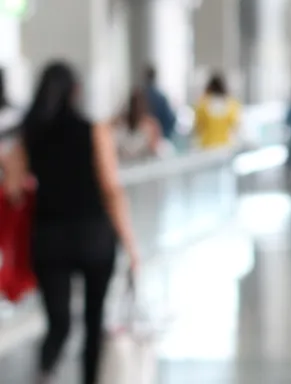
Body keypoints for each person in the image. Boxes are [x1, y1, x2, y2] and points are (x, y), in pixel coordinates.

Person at [1, 62, 141, 384]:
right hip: (94, 237)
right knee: (94, 319)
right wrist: (131, 244)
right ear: (76, 92)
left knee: (59, 322)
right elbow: (111, 188)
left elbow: (12, 187)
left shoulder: (31, 134)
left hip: (49, 238)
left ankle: (45, 373)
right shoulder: (93, 130)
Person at [192, 73, 240, 150]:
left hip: (207, 146)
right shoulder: (232, 105)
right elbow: (235, 127)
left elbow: (197, 127)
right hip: (225, 146)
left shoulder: (203, 105)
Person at [113, 87, 162, 161]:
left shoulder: (149, 127)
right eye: (134, 106)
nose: (137, 109)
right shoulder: (119, 127)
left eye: (139, 106)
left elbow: (154, 151)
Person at [141, 65, 177, 143]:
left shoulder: (141, 96)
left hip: (144, 140)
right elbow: (170, 119)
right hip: (159, 139)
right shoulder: (161, 97)